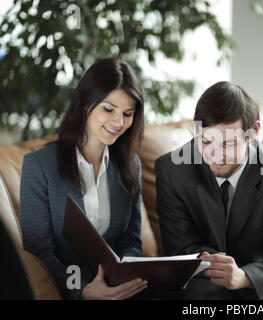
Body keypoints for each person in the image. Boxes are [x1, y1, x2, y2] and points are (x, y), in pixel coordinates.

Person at [155, 81, 263, 300]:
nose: (215, 155)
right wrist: (261, 293)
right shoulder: (172, 170)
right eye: (206, 140)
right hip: (202, 284)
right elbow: (182, 253)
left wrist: (249, 279)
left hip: (260, 273)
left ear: (254, 132)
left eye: (228, 144)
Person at [20, 58, 148, 300]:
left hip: (121, 291)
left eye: (128, 114)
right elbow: (40, 252)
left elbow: (131, 240)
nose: (119, 123)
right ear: (86, 104)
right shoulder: (39, 166)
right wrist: (83, 291)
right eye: (108, 109)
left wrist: (124, 279)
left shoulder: (131, 166)